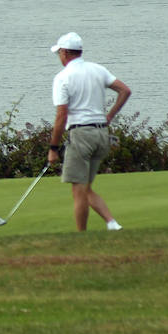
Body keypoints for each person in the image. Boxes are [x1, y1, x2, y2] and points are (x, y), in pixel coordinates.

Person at [47, 32, 132, 231]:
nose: (59, 56)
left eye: (59, 53)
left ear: (65, 53)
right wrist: (109, 117)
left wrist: (53, 148)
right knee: (85, 188)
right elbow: (125, 91)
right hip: (101, 135)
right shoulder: (97, 70)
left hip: (81, 135)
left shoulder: (62, 77)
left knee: (78, 190)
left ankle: (82, 237)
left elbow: (61, 116)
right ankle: (112, 223)